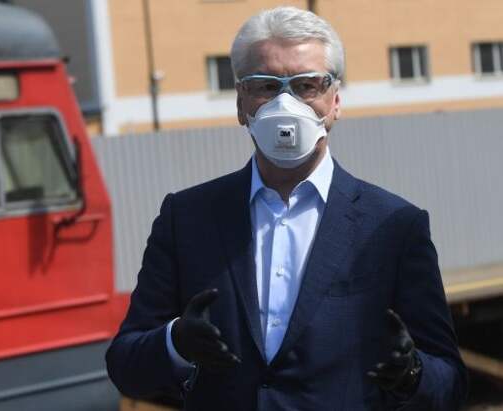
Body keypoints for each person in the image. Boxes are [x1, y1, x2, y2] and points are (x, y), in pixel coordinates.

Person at [106, 6, 467, 410]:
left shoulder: (393, 226)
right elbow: (125, 365)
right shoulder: (186, 218)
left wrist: (412, 374)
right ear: (240, 102)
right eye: (265, 86)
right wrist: (175, 343)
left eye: (306, 85)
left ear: (335, 101)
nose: (286, 103)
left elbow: (450, 382)